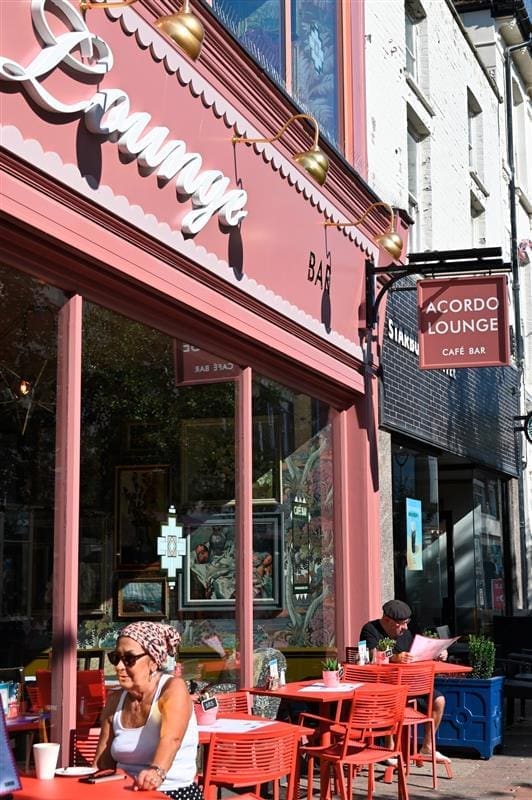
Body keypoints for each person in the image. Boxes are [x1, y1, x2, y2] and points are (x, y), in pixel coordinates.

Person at [93, 621, 202, 799]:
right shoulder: (115, 701)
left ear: (152, 662)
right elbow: (102, 763)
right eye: (115, 658)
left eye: (129, 659)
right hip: (124, 792)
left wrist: (156, 771)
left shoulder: (172, 689)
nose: (119, 666)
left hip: (170, 792)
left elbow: (171, 739)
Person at [359, 599, 450, 764]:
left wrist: (437, 653)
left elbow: (419, 652)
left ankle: (427, 747)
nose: (405, 628)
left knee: (439, 701)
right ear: (387, 620)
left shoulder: (406, 634)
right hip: (385, 687)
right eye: (401, 624)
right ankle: (389, 747)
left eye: (407, 623)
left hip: (411, 686)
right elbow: (370, 655)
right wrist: (394, 657)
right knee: (392, 700)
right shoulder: (370, 629)